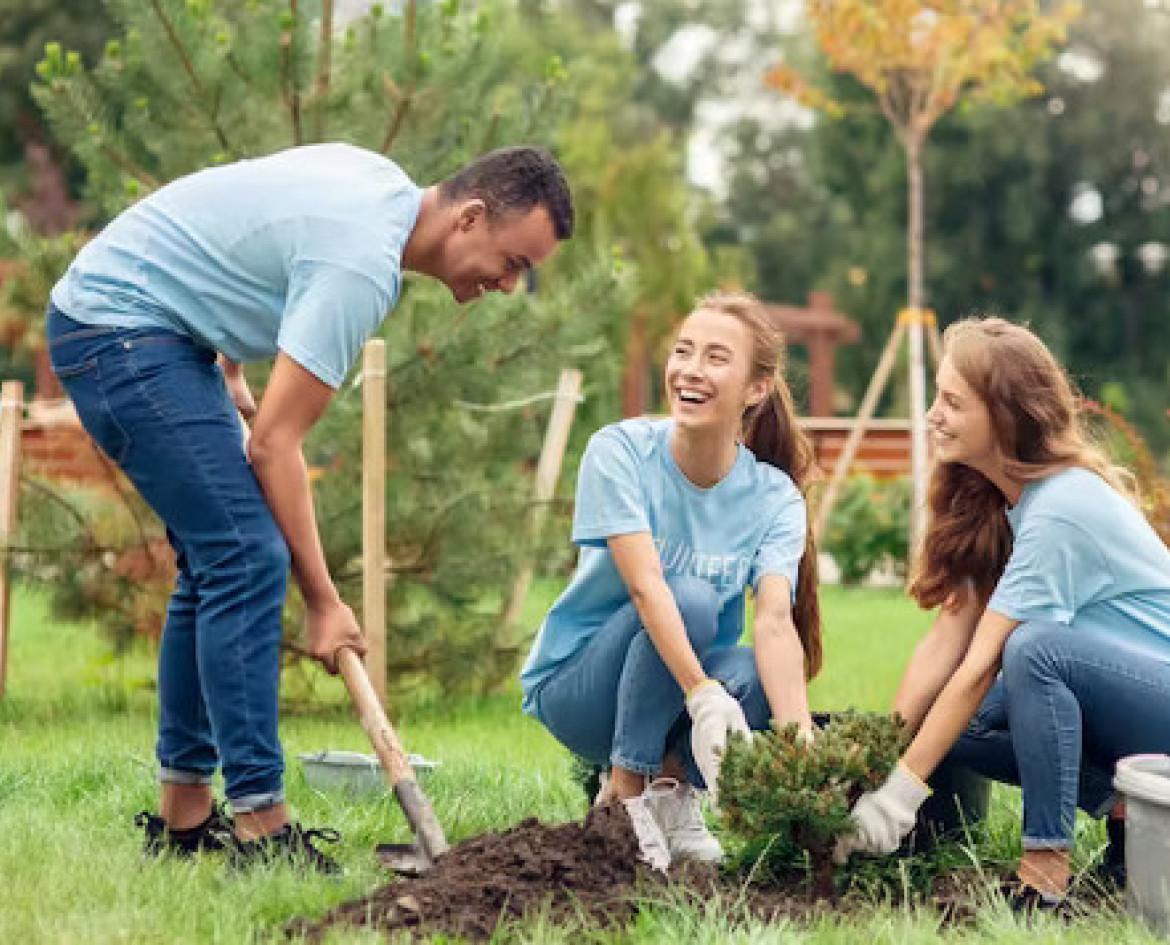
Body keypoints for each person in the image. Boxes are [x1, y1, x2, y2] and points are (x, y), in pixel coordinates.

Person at [46, 143, 574, 871]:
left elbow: (247, 220)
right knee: (246, 555)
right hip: (122, 328)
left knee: (215, 561)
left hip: (148, 323)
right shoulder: (362, 264)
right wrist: (324, 603)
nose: (511, 285)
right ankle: (262, 828)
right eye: (513, 261)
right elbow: (274, 447)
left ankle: (184, 821)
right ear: (471, 217)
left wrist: (228, 358)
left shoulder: (380, 185)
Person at [832, 318, 1170, 909]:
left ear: (1005, 418)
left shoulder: (1061, 508)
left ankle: (1045, 868)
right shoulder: (999, 502)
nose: (933, 414)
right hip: (1145, 711)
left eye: (953, 403)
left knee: (1035, 652)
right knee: (959, 720)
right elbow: (947, 640)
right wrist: (872, 763)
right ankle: (1130, 821)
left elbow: (982, 664)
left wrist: (897, 799)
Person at [518, 290, 821, 869]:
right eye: (683, 352)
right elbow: (646, 588)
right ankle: (623, 799)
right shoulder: (621, 451)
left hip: (671, 689)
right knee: (691, 598)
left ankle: (670, 791)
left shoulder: (774, 497)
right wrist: (703, 693)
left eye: (715, 357)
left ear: (756, 389)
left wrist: (799, 752)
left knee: (760, 673)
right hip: (582, 689)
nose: (690, 370)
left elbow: (776, 623)